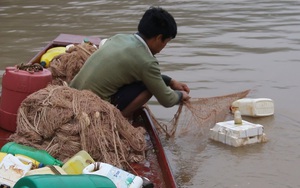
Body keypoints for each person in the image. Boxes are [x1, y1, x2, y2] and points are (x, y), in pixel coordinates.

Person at [70, 6, 190, 119]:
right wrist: (180, 96)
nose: (164, 47)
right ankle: (119, 120)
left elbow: (152, 77)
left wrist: (171, 82)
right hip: (93, 108)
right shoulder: (147, 61)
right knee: (149, 88)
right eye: (166, 42)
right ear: (158, 38)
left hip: (72, 96)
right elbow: (167, 100)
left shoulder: (120, 37)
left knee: (146, 81)